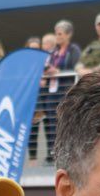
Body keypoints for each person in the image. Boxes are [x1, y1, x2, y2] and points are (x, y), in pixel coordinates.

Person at [34, 20, 81, 160]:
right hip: (51, 91)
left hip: (65, 90)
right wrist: (46, 72)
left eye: (60, 34)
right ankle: (53, 153)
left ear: (68, 34)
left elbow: (75, 67)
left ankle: (67, 153)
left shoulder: (73, 50)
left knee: (64, 121)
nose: (57, 37)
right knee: (51, 122)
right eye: (56, 34)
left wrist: (58, 71)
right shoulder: (53, 51)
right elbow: (45, 65)